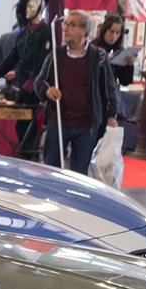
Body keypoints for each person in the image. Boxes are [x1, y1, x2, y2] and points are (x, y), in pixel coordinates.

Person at [35, 10, 120, 176]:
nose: (65, 29)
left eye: (71, 25)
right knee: (50, 170)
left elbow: (109, 90)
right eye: (65, 24)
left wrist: (111, 116)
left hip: (86, 125)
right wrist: (47, 90)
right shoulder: (56, 55)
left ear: (84, 30)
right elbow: (39, 83)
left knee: (80, 174)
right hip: (58, 121)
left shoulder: (98, 57)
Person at [97, 13, 134, 85]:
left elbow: (125, 81)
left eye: (117, 33)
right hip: (94, 92)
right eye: (111, 31)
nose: (114, 36)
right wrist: (104, 61)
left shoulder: (119, 50)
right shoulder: (93, 47)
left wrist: (129, 65)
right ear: (104, 30)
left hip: (111, 92)